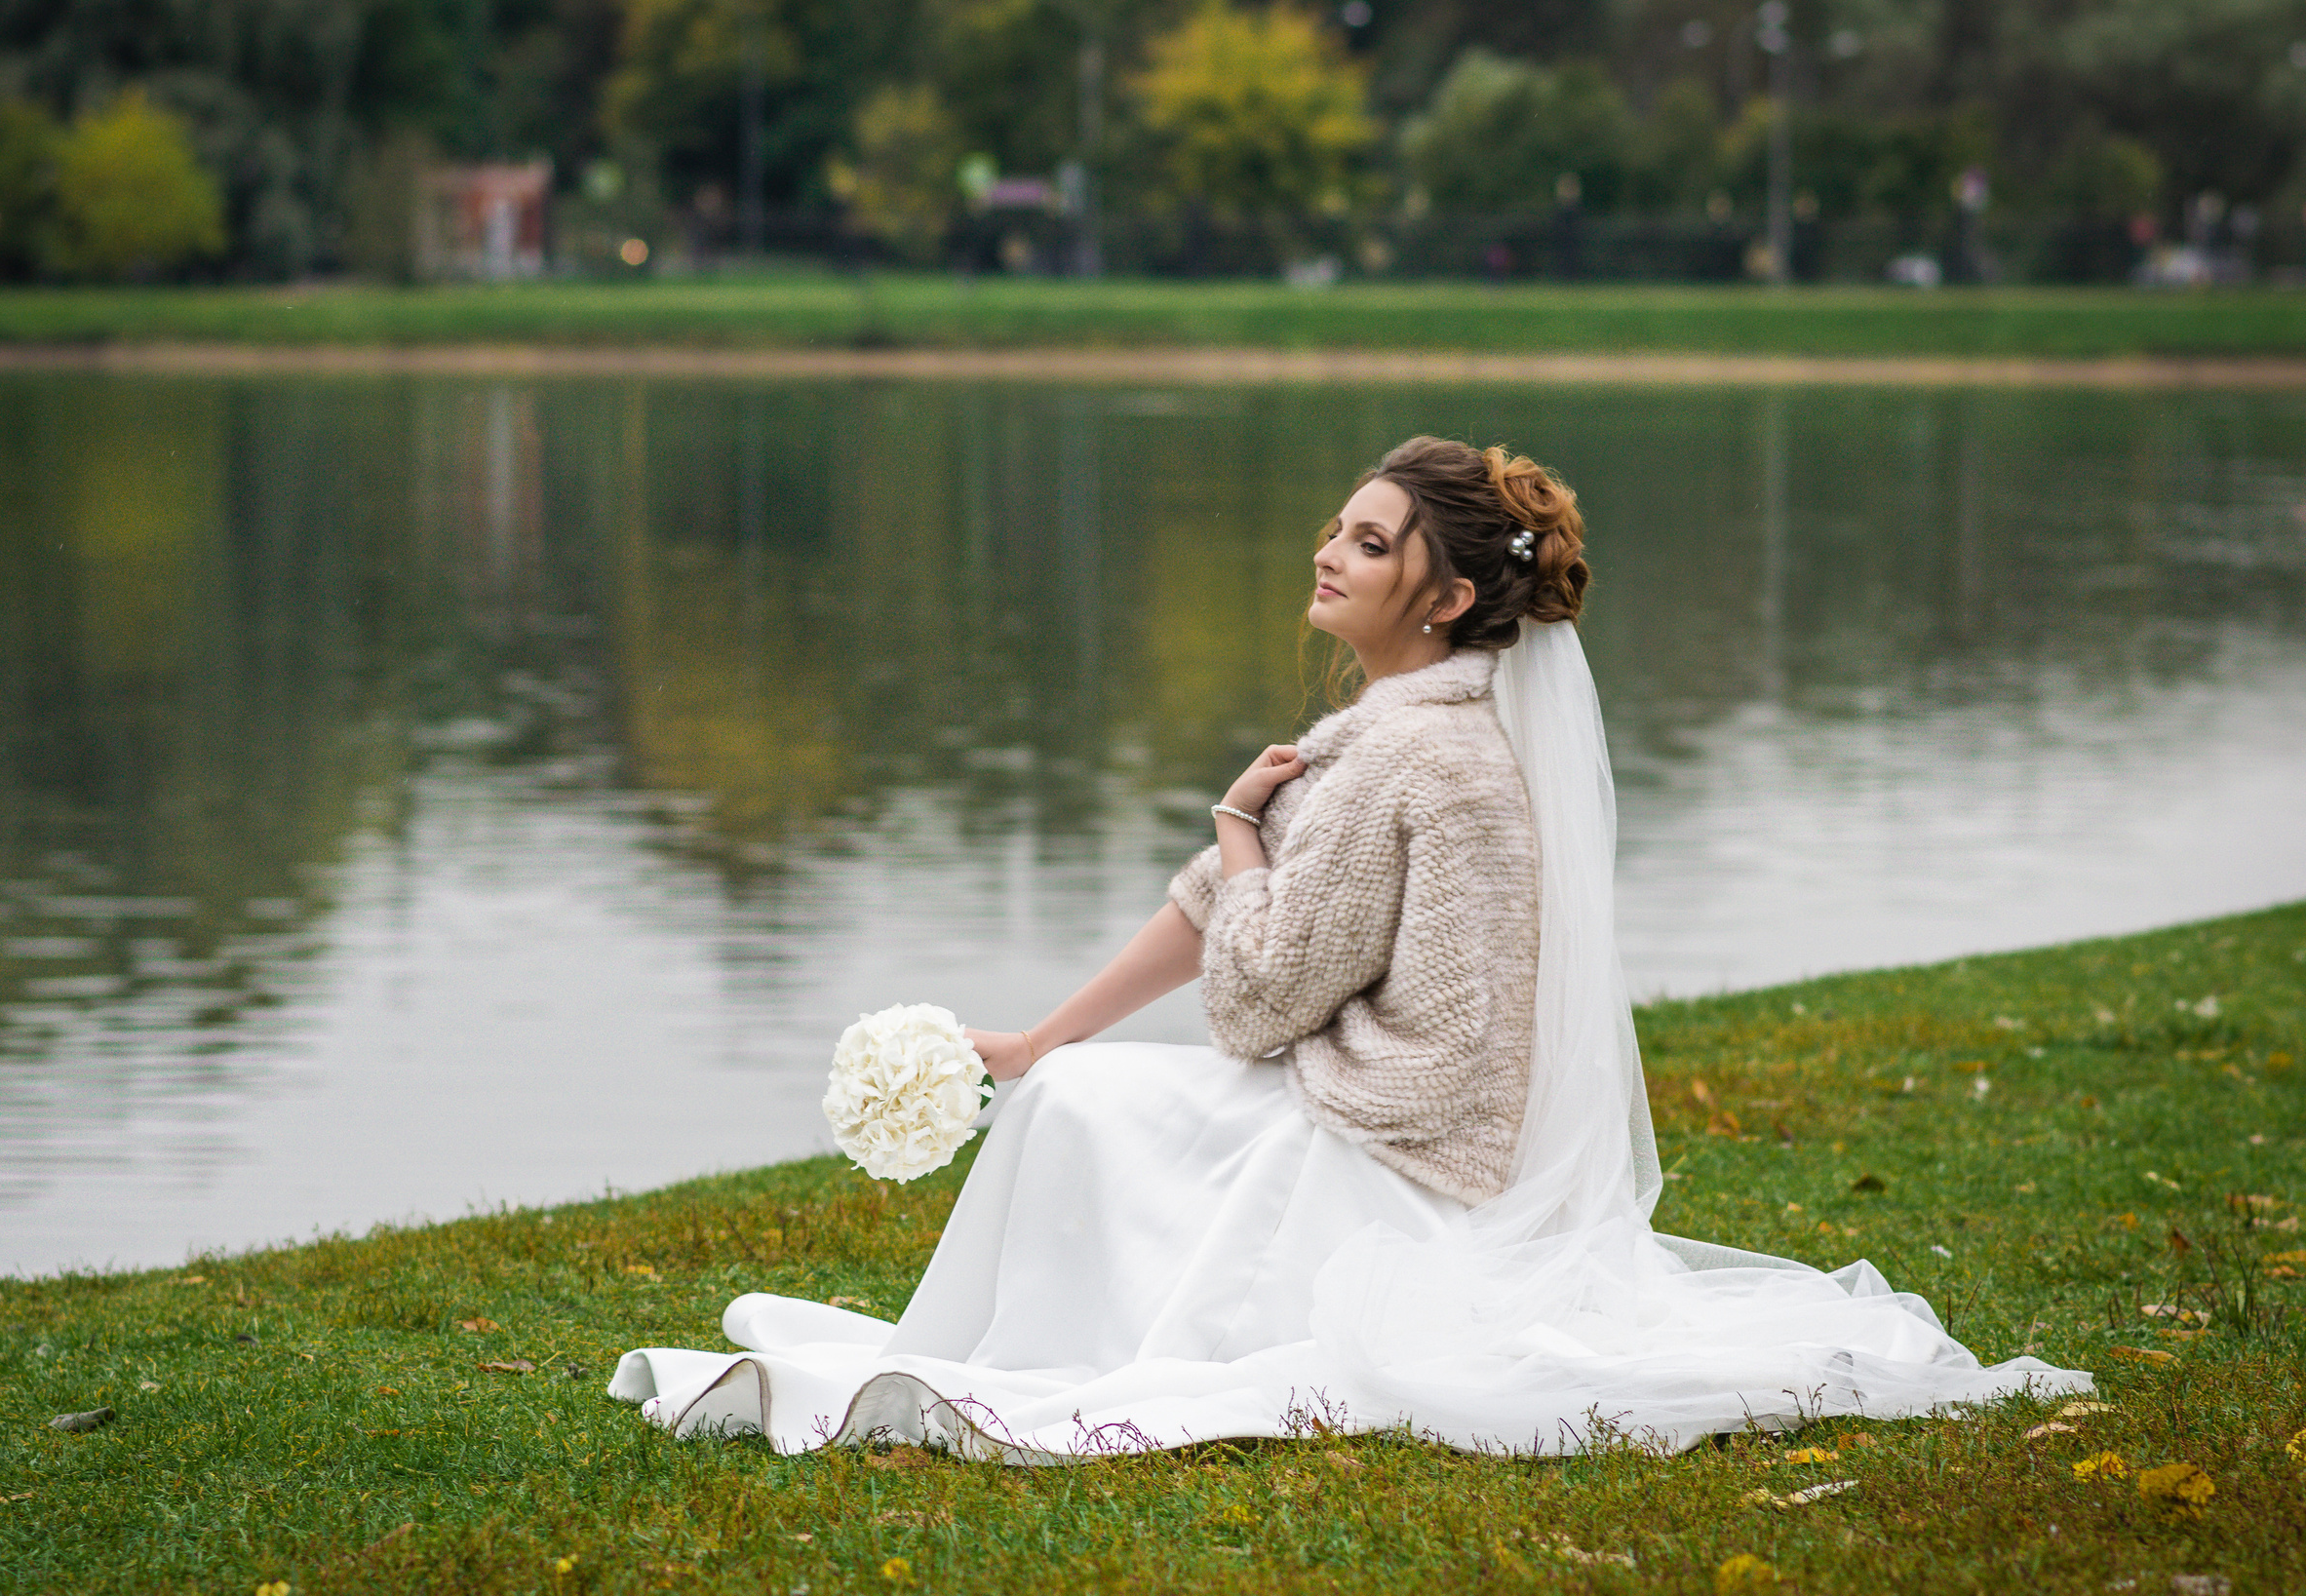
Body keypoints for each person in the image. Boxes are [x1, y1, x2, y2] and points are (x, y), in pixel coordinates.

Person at [608, 437, 2089, 1460]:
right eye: (1339, 524)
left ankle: (1028, 1358)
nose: (1330, 549)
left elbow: (1251, 999)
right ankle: (1035, 1287)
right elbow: (1209, 914)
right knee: (1067, 1086)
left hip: (1380, 1161)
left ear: (1445, 598)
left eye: (1370, 543)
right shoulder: (1407, 727)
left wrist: (1246, 840)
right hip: (1381, 1122)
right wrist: (1035, 1035)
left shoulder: (1405, 757)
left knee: (1080, 1114)